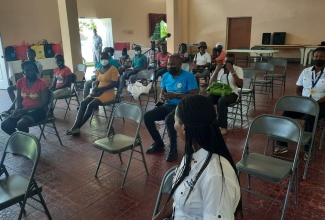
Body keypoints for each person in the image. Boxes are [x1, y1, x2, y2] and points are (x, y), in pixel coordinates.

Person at [153, 95, 242, 220]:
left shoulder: (215, 177)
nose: (174, 126)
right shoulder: (192, 154)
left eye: (175, 121)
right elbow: (178, 204)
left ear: (183, 127)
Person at [144, 54, 198, 162]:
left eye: (172, 64)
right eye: (168, 64)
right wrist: (162, 96)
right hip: (167, 105)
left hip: (183, 107)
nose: (169, 66)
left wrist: (176, 95)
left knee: (169, 119)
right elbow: (163, 91)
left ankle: (173, 148)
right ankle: (158, 143)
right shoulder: (166, 76)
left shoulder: (188, 76)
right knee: (147, 116)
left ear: (180, 64)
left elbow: (194, 95)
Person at [274, 47, 325, 160]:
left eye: (321, 56)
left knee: (310, 118)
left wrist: (314, 102)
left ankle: (308, 149)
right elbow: (298, 88)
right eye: (316, 56)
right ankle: (282, 145)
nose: (318, 58)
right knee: (286, 114)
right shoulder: (306, 71)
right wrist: (301, 99)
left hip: (320, 104)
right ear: (313, 57)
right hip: (304, 102)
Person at [66, 52, 119, 135]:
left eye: (105, 58)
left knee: (91, 105)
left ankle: (77, 127)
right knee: (83, 103)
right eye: (102, 59)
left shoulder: (113, 69)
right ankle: (75, 126)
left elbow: (114, 83)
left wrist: (100, 88)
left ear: (108, 59)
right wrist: (95, 86)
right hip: (98, 91)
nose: (103, 60)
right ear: (99, 60)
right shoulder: (99, 70)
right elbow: (97, 81)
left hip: (108, 92)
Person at [1, 61, 49, 135]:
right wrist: (17, 110)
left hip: (39, 111)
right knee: (4, 125)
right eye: (27, 70)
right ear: (23, 72)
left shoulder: (42, 83)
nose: (31, 72)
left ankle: (26, 142)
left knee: (21, 124)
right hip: (23, 110)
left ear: (36, 70)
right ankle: (19, 139)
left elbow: (44, 103)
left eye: (32, 70)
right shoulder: (20, 82)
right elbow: (19, 99)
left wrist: (25, 110)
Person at [207, 53, 243, 135]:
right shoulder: (221, 69)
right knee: (207, 99)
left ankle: (223, 127)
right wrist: (216, 70)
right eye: (226, 62)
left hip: (232, 93)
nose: (228, 64)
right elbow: (210, 84)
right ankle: (210, 123)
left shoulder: (238, 69)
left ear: (234, 61)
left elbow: (240, 85)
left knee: (222, 101)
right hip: (219, 92)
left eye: (231, 62)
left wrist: (232, 71)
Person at [1, 49, 43, 116]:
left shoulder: (38, 65)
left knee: (21, 93)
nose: (30, 56)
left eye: (32, 54)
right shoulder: (26, 64)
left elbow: (38, 76)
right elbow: (24, 75)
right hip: (25, 82)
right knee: (10, 89)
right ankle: (16, 107)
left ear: (35, 55)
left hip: (34, 83)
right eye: (28, 55)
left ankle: (14, 109)